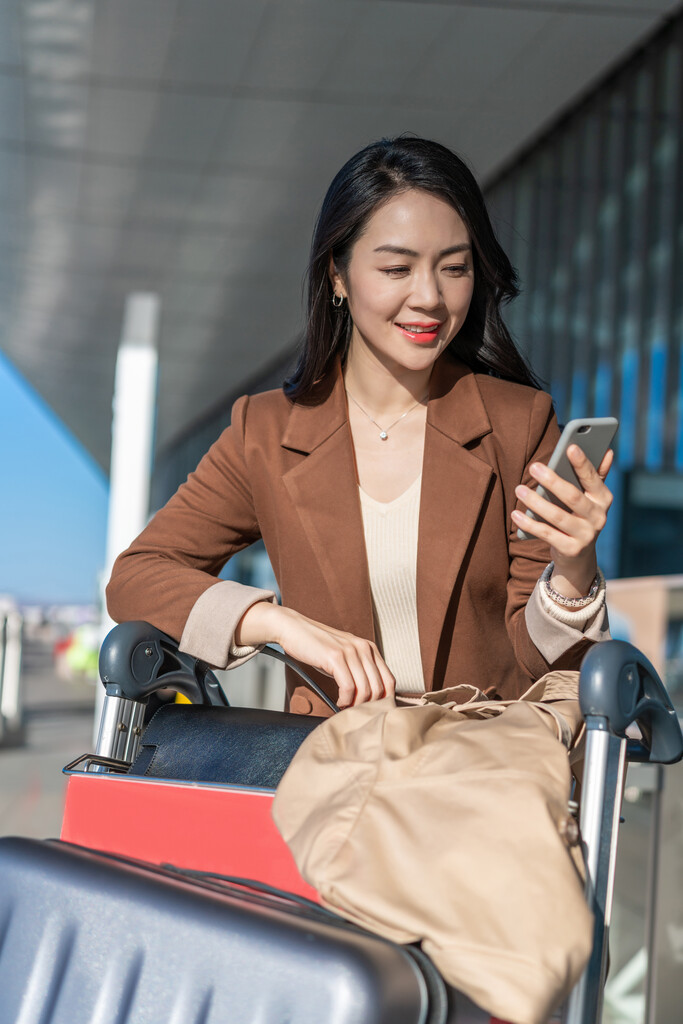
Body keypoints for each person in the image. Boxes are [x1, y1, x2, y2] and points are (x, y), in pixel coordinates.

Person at [106, 136, 612, 717]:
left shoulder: (518, 424)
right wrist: (274, 622)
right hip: (329, 766)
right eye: (397, 268)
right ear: (337, 277)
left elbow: (538, 661)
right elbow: (138, 576)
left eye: (455, 268)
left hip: (476, 770)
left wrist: (574, 571)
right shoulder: (266, 432)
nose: (429, 297)